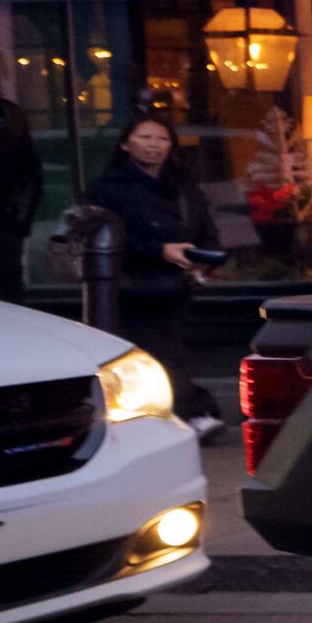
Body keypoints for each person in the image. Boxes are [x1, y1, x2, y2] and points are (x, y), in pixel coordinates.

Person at [86, 112, 225, 424]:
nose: (154, 145)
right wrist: (159, 250)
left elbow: (204, 225)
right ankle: (185, 415)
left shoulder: (183, 184)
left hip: (177, 285)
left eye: (162, 138)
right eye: (145, 137)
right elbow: (104, 238)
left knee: (173, 352)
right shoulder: (108, 188)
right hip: (132, 288)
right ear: (125, 144)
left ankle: (186, 414)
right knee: (156, 356)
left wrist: (204, 259)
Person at [0, 82, 40, 299]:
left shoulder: (7, 114)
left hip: (0, 231)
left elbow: (29, 175)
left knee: (6, 299)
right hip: (4, 229)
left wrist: (15, 227)